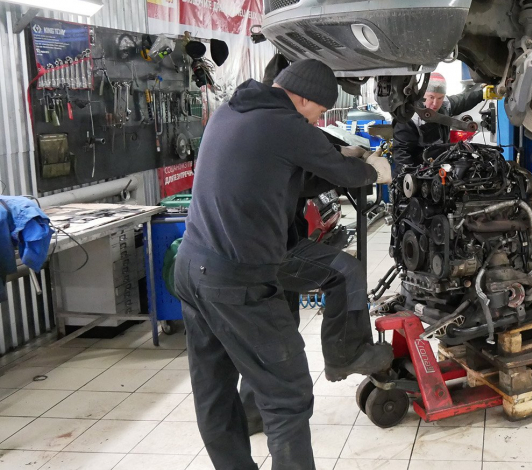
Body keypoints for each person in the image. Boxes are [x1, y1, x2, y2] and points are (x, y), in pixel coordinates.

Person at [174, 59, 392, 470]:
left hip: (192, 266)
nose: (318, 120)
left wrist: (344, 157)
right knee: (287, 396)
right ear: (304, 99)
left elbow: (291, 173)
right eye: (320, 112)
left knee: (214, 391)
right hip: (237, 280)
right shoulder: (287, 124)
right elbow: (344, 172)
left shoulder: (232, 110)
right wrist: (370, 170)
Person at [391, 72, 485, 178]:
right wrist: (410, 178)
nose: (435, 103)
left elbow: (464, 100)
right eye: (431, 97)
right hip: (418, 172)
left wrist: (484, 93)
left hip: (438, 168)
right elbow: (401, 152)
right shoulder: (409, 116)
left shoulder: (445, 105)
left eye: (440, 98)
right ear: (422, 95)